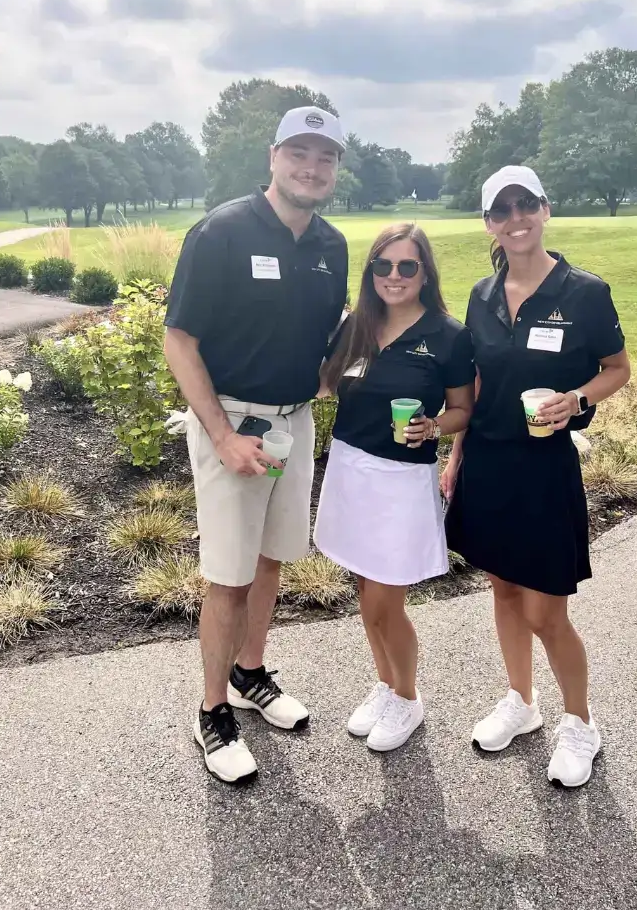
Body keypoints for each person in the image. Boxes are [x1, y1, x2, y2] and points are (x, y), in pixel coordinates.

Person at [163, 106, 351, 785]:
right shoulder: (222, 231)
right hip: (232, 424)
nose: (311, 166)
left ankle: (249, 674)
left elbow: (331, 340)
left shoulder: (331, 245)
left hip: (295, 422)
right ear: (272, 157)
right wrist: (220, 437)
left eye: (325, 156)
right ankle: (212, 711)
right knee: (229, 576)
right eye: (299, 152)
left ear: (336, 168)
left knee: (271, 561)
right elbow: (178, 341)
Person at [441, 165, 631, 789]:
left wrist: (576, 398)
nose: (516, 219)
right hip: (489, 462)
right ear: (488, 223)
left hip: (544, 467)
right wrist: (455, 455)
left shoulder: (583, 291)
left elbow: (616, 368)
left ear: (545, 209)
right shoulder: (481, 294)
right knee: (501, 589)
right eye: (502, 210)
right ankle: (521, 703)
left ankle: (580, 723)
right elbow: (476, 384)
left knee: (547, 612)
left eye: (527, 205)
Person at [313, 223, 475, 753]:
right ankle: (385, 684)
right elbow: (322, 385)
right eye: (383, 266)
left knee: (387, 601)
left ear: (425, 271)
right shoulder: (355, 327)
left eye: (407, 266)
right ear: (371, 273)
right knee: (364, 589)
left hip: (401, 483)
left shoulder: (448, 335)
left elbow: (462, 409)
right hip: (349, 470)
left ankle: (409, 697)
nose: (394, 276)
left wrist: (434, 427)